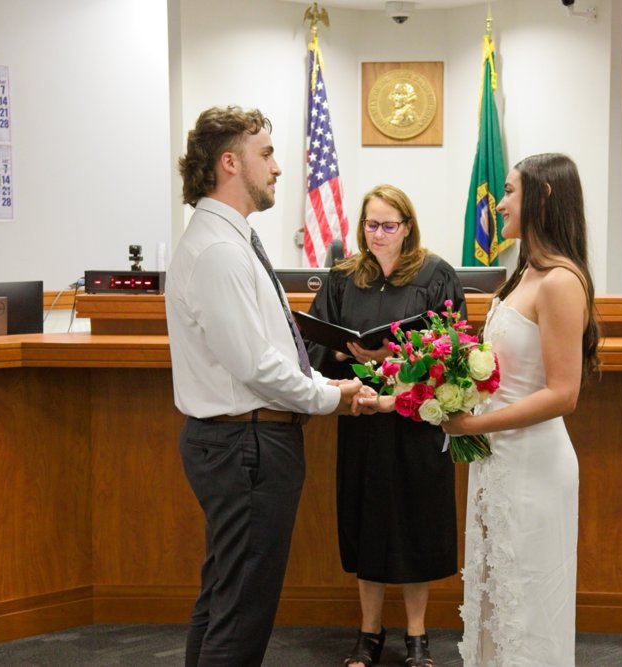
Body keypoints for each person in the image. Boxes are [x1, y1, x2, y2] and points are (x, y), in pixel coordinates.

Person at [165, 105, 371, 667]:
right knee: (240, 615)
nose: (278, 168)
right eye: (267, 154)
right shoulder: (220, 251)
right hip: (245, 446)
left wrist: (325, 383)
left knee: (225, 600)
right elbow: (255, 365)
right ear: (230, 163)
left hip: (244, 440)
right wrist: (331, 396)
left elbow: (264, 353)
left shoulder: (229, 242)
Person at [441, 153, 600, 665]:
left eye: (510, 191)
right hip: (498, 462)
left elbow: (563, 393)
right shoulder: (521, 275)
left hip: (534, 463)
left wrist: (474, 423)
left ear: (543, 197)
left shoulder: (560, 281)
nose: (501, 202)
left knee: (530, 607)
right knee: (497, 600)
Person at [307, 184, 466, 667]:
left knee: (418, 521)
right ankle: (369, 632)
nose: (378, 234)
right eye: (371, 225)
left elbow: (453, 347)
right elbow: (313, 347)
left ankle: (417, 635)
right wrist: (343, 352)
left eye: (389, 225)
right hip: (362, 417)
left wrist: (392, 355)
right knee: (367, 520)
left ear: (408, 227)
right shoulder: (342, 278)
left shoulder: (436, 274)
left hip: (415, 419)